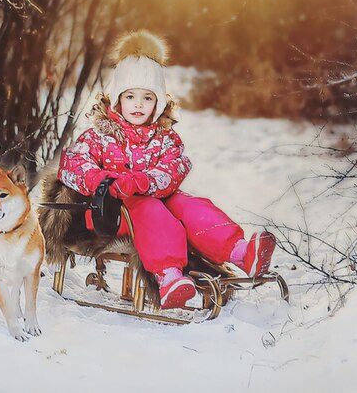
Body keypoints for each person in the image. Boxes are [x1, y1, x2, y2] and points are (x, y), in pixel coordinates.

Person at [58, 30, 276, 309]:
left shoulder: (164, 138)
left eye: (148, 98)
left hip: (155, 197)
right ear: (117, 100)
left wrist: (147, 181)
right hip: (110, 214)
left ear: (159, 102)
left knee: (190, 205)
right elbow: (73, 164)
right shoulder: (100, 135)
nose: (138, 105)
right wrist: (106, 180)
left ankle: (241, 252)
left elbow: (177, 165)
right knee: (149, 209)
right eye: (130, 97)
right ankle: (169, 274)